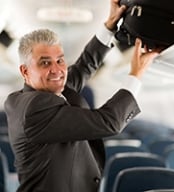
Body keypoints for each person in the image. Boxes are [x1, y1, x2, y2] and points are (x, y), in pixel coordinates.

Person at [4, 0, 159, 191]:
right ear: (25, 71)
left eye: (60, 60)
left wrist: (109, 25)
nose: (57, 70)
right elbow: (108, 122)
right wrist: (136, 73)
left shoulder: (37, 93)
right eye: (45, 63)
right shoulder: (35, 107)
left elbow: (83, 67)